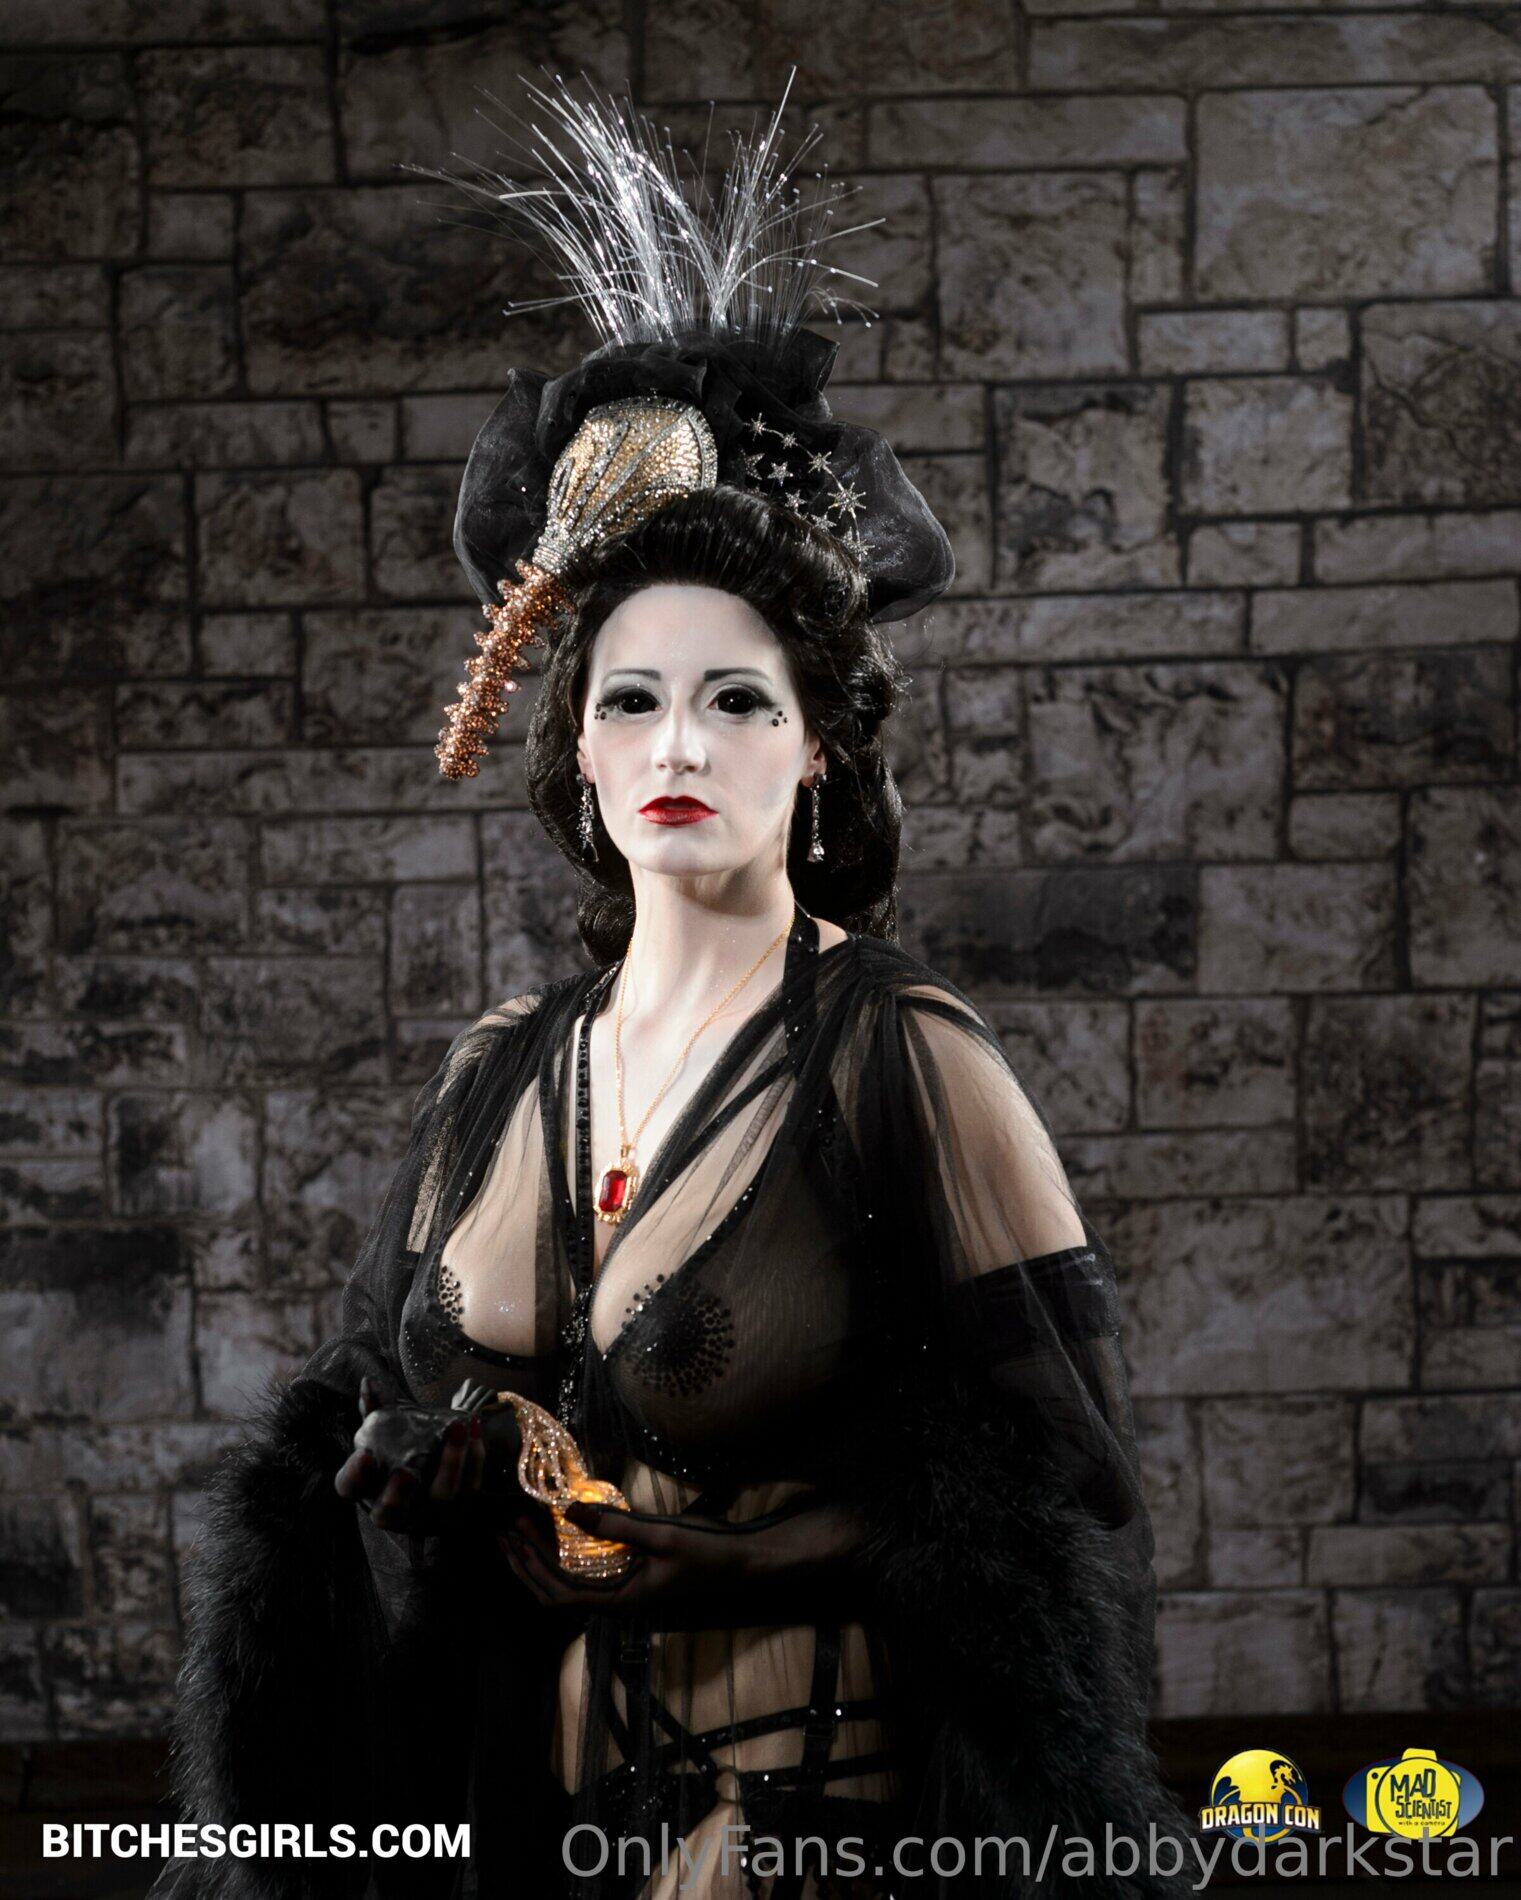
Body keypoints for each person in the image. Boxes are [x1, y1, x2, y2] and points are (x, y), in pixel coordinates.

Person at [149, 74, 1197, 1900]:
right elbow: (356, 1432)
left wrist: (747, 1557)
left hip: (809, 1828)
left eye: (736, 700)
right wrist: (424, 1473)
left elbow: (1063, 1505)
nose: (678, 745)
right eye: (631, 699)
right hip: (526, 1832)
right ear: (577, 749)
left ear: (817, 750)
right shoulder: (500, 1071)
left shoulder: (897, 1051)